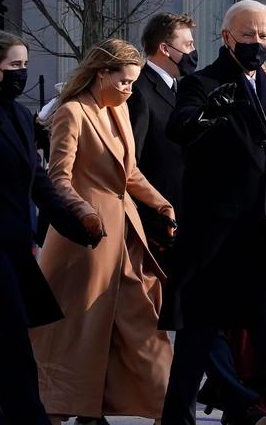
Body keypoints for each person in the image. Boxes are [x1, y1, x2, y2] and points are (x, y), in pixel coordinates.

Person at [158, 0, 266, 425]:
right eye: (248, 35)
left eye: (264, 35)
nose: (257, 43)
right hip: (213, 247)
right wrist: (208, 117)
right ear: (227, 36)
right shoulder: (201, 82)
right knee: (194, 348)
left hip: (263, 246)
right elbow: (180, 128)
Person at [30, 39, 176, 425]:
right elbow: (57, 178)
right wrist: (84, 212)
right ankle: (65, 410)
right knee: (73, 337)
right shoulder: (72, 113)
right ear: (101, 74)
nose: (129, 89)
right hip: (84, 245)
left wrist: (162, 204)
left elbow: (129, 174)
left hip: (126, 239)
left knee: (144, 329)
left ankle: (165, 407)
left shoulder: (122, 110)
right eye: (124, 81)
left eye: (133, 82)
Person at [0, 30, 96, 425]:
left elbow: (39, 181)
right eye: (13, 66)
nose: (21, 73)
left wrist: (75, 224)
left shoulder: (22, 115)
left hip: (16, 245)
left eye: (24, 65)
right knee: (12, 347)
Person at [126, 13, 195, 270]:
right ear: (165, 48)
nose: (193, 52)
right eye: (187, 45)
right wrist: (152, 220)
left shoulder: (183, 90)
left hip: (184, 217)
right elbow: (133, 164)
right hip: (158, 226)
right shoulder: (139, 91)